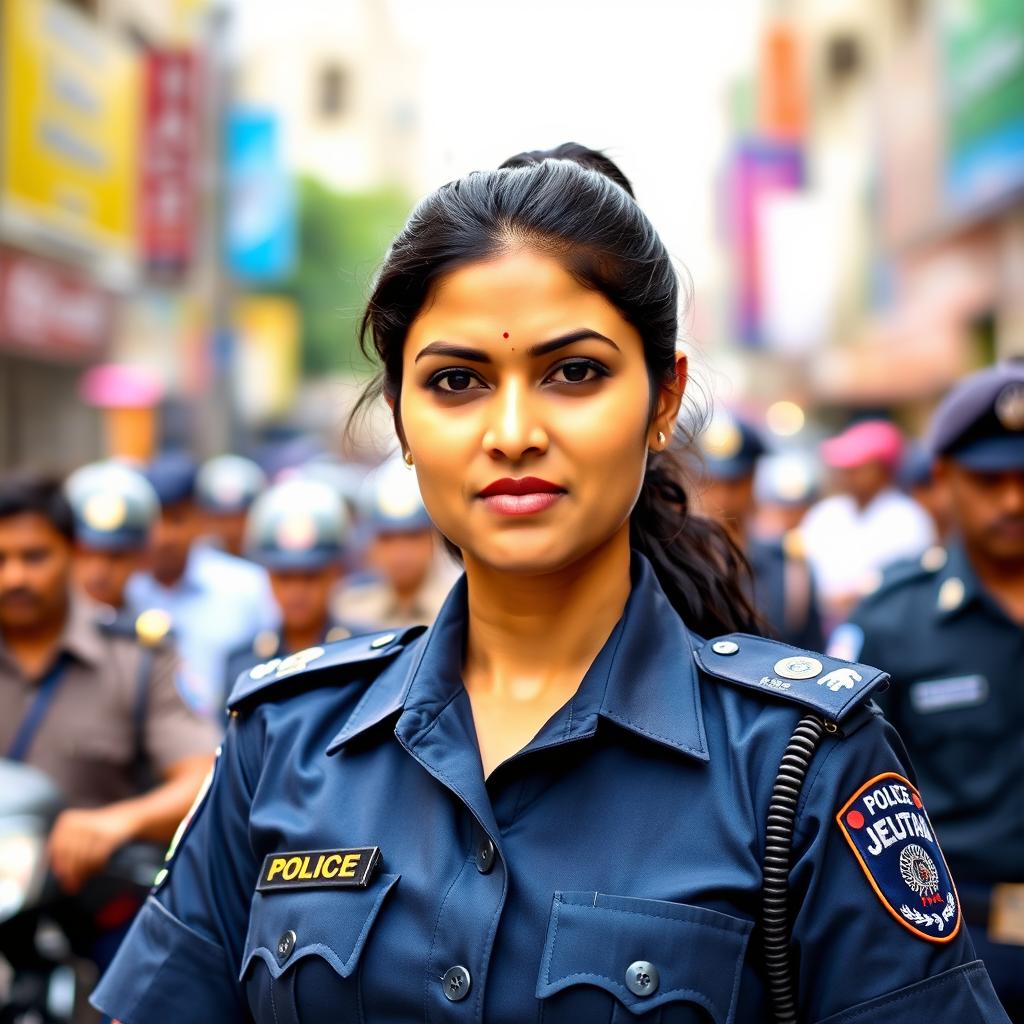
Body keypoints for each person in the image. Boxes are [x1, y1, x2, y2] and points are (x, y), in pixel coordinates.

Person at [92, 148, 1007, 1022]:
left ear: (661, 399)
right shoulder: (283, 739)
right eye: (457, 380)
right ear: (403, 421)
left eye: (574, 373)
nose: (514, 431)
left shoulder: (800, 764)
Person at [831, 362, 1024, 1020]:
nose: (1013, 502)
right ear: (941, 480)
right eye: (988, 481)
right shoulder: (891, 621)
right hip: (959, 948)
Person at [0, 473, 216, 965]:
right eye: (1, 560)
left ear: (72, 552)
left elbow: (203, 777)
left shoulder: (138, 659)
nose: (15, 577)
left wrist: (118, 822)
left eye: (34, 557)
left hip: (96, 913)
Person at [126, 450, 278, 720]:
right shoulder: (125, 588)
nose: (163, 536)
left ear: (200, 518)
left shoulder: (247, 587)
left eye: (176, 519)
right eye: (155, 520)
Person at [224, 478, 362, 699]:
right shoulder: (243, 664)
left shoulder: (365, 653)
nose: (297, 592)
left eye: (311, 577)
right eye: (285, 577)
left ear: (335, 573)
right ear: (267, 576)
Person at [697, 412, 823, 649]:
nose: (723, 497)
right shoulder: (673, 558)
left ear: (753, 479)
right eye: (712, 482)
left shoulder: (788, 566)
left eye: (735, 483)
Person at [800, 419, 935, 626]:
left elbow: (905, 587)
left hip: (884, 629)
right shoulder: (825, 513)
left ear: (883, 470)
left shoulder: (909, 519)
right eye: (845, 467)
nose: (847, 475)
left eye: (858, 468)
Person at [333, 457, 457, 629]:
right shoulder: (349, 611)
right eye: (387, 538)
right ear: (370, 544)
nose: (400, 552)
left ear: (433, 538)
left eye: (412, 536)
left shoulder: (458, 608)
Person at [65, 459, 161, 616]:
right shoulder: (39, 625)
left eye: (116, 556)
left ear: (142, 557)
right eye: (84, 554)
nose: (98, 572)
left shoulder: (152, 625)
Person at [195, 454, 268, 558]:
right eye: (222, 518)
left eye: (239, 516)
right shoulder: (198, 558)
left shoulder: (274, 550)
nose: (231, 528)